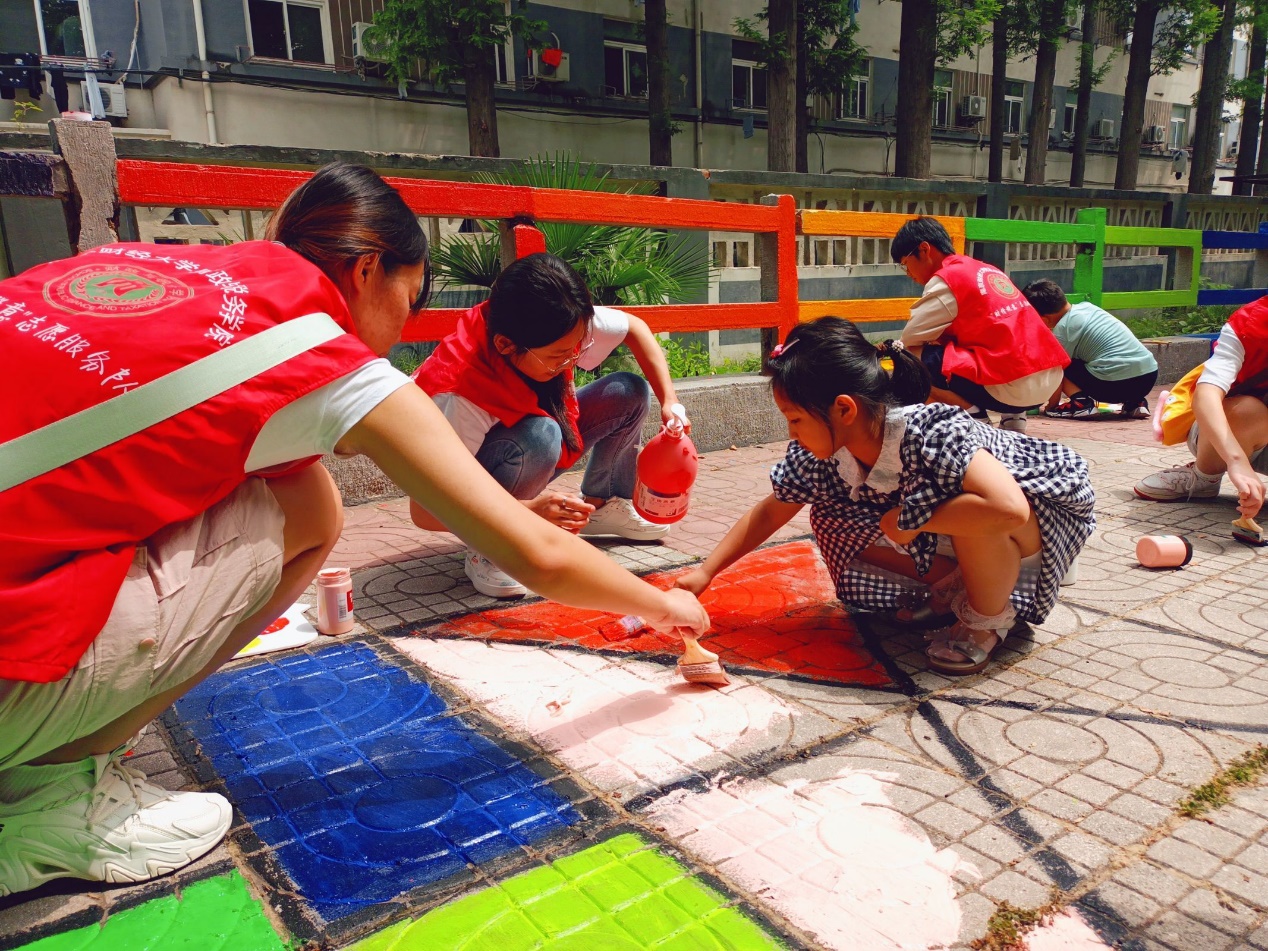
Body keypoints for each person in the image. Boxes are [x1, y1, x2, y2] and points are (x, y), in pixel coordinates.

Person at [0, 163, 709, 897]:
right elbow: (536, 554)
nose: (407, 324)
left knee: (288, 481)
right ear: (368, 270)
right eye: (411, 297)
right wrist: (665, 604)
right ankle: (51, 794)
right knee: (310, 511)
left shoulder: (162, 265)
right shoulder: (326, 359)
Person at [674, 317, 1094, 676]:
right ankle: (957, 590)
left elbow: (1006, 508)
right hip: (970, 521)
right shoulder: (828, 453)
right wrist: (706, 573)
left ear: (844, 409)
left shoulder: (930, 432)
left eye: (796, 419)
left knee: (968, 512)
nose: (791, 433)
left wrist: (909, 520)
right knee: (832, 517)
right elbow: (772, 511)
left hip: (1040, 516)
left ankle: (984, 621)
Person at [411, 252, 691, 598]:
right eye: (559, 356)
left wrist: (670, 401)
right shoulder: (458, 394)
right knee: (541, 434)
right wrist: (529, 511)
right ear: (505, 345)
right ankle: (494, 544)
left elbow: (635, 328)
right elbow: (425, 511)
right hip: (479, 476)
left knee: (628, 391)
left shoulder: (559, 320)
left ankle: (604, 503)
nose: (573, 358)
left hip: (532, 445)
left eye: (577, 347)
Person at [891, 217, 1069, 434]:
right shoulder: (988, 270)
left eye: (905, 264)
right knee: (999, 340)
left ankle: (975, 416)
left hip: (1013, 388)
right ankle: (1013, 420)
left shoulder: (948, 279)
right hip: (1049, 380)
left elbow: (910, 338)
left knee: (909, 357)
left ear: (924, 249)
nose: (908, 273)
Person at [1134, 294, 1268, 518]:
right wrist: (1236, 460)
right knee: (1245, 411)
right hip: (1232, 437)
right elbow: (1207, 393)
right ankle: (1204, 477)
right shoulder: (1250, 324)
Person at [1021, 279, 1158, 420]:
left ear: (1044, 319)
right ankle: (1136, 402)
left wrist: (1052, 406)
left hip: (1113, 385)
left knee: (1061, 363)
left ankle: (1081, 403)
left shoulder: (1063, 330)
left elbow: (1055, 372)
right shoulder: (1088, 308)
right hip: (1148, 376)